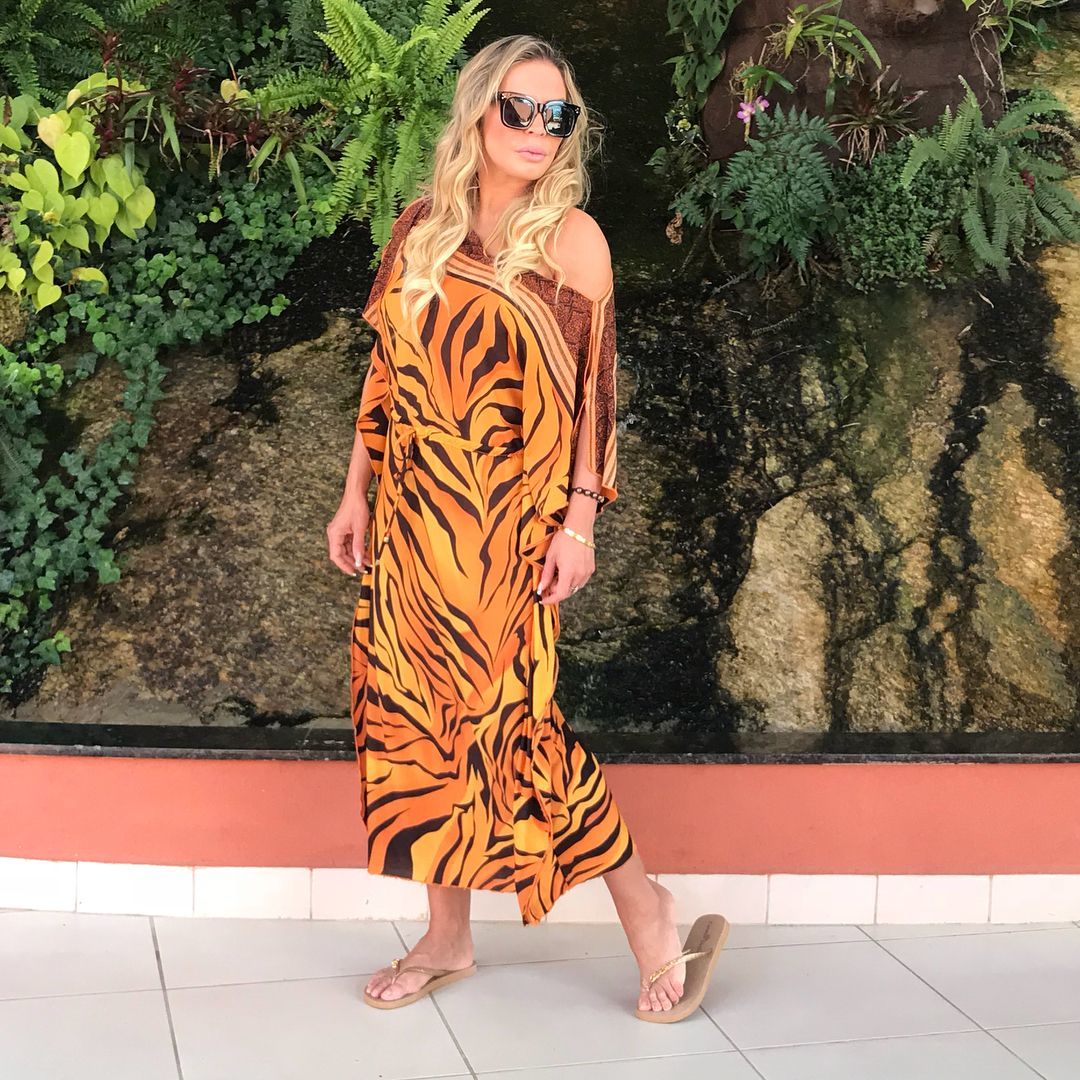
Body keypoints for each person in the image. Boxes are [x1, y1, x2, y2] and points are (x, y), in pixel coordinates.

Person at [326, 33, 728, 1023]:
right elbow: (385, 375)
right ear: (477, 111)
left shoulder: (572, 239)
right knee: (413, 722)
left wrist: (580, 524)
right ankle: (447, 937)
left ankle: (645, 908)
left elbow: (595, 398)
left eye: (558, 115)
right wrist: (355, 492)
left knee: (519, 729)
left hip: (508, 532)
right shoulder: (420, 226)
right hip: (413, 523)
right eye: (520, 107)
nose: (540, 129)